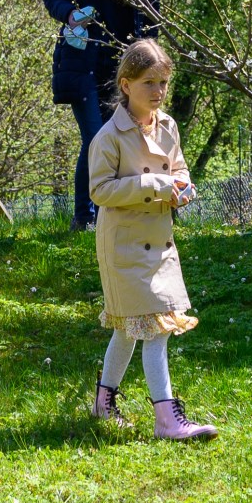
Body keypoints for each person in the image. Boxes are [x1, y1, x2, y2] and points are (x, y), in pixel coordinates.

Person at [87, 38, 216, 441]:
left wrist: (182, 188)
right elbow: (99, 191)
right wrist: (153, 184)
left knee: (129, 329)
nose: (158, 92)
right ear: (126, 85)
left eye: (163, 83)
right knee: (155, 327)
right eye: (149, 83)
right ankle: (167, 420)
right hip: (124, 245)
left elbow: (178, 170)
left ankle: (102, 404)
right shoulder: (109, 136)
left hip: (160, 242)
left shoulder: (169, 127)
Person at [43, 0, 160, 232]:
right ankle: (85, 217)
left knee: (125, 136)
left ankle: (123, 210)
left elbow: (154, 18)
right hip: (83, 62)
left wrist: (150, 62)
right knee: (96, 138)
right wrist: (69, 14)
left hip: (126, 68)